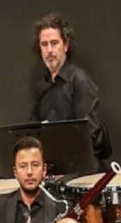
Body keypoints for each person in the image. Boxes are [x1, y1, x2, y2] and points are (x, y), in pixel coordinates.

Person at [29, 14, 111, 165]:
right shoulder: (41, 86)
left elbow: (87, 134)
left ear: (66, 45)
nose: (49, 50)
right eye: (44, 44)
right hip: (53, 167)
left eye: (54, 43)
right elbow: (34, 131)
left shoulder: (79, 81)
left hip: (82, 170)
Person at [0, 136, 65, 223]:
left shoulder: (59, 208)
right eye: (23, 166)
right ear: (15, 172)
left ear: (44, 170)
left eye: (35, 165)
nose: (29, 172)